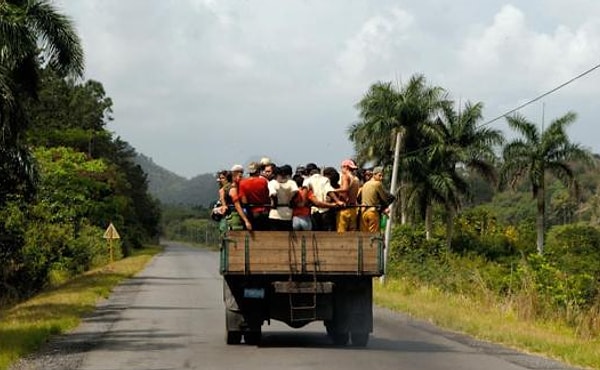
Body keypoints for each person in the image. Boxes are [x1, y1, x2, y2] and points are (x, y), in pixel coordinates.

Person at [360, 166, 394, 233]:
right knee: (374, 236)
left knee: (364, 235)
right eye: (380, 175)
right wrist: (385, 208)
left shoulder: (365, 184)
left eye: (382, 176)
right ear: (374, 174)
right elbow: (384, 198)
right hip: (372, 213)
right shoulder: (377, 184)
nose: (381, 178)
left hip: (363, 213)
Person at [239, 162, 270, 230]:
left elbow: (244, 201)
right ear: (258, 171)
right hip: (264, 212)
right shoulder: (263, 181)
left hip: (251, 213)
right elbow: (267, 197)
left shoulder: (242, 183)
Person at [268, 164, 298, 231]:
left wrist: (274, 203)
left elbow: (273, 193)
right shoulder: (291, 183)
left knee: (275, 237)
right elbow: (295, 191)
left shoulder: (272, 183)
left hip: (275, 213)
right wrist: (291, 200)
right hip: (288, 213)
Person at [336, 159, 360, 232]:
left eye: (342, 167)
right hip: (353, 209)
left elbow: (345, 189)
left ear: (346, 167)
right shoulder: (356, 179)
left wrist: (333, 190)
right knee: (352, 234)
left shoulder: (345, 176)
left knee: (341, 235)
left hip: (345, 209)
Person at [226, 164, 252, 231]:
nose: (241, 178)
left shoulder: (239, 187)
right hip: (235, 217)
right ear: (233, 177)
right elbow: (237, 205)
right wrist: (246, 221)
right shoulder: (233, 189)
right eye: (239, 176)